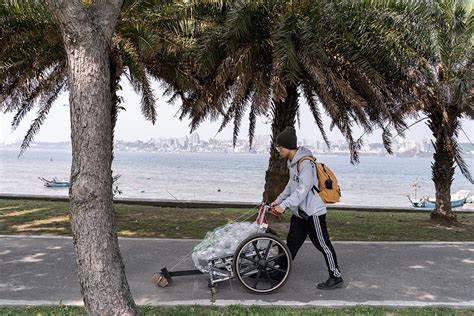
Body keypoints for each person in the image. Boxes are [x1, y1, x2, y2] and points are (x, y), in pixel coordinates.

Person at [271, 126, 343, 290]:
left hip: (313, 213)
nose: (278, 150)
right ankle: (280, 272)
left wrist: (285, 206)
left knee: (323, 245)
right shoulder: (292, 162)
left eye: (279, 147)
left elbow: (303, 190)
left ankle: (336, 276)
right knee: (291, 244)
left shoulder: (306, 164)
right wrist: (278, 201)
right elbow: (290, 187)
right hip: (300, 214)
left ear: (288, 147)